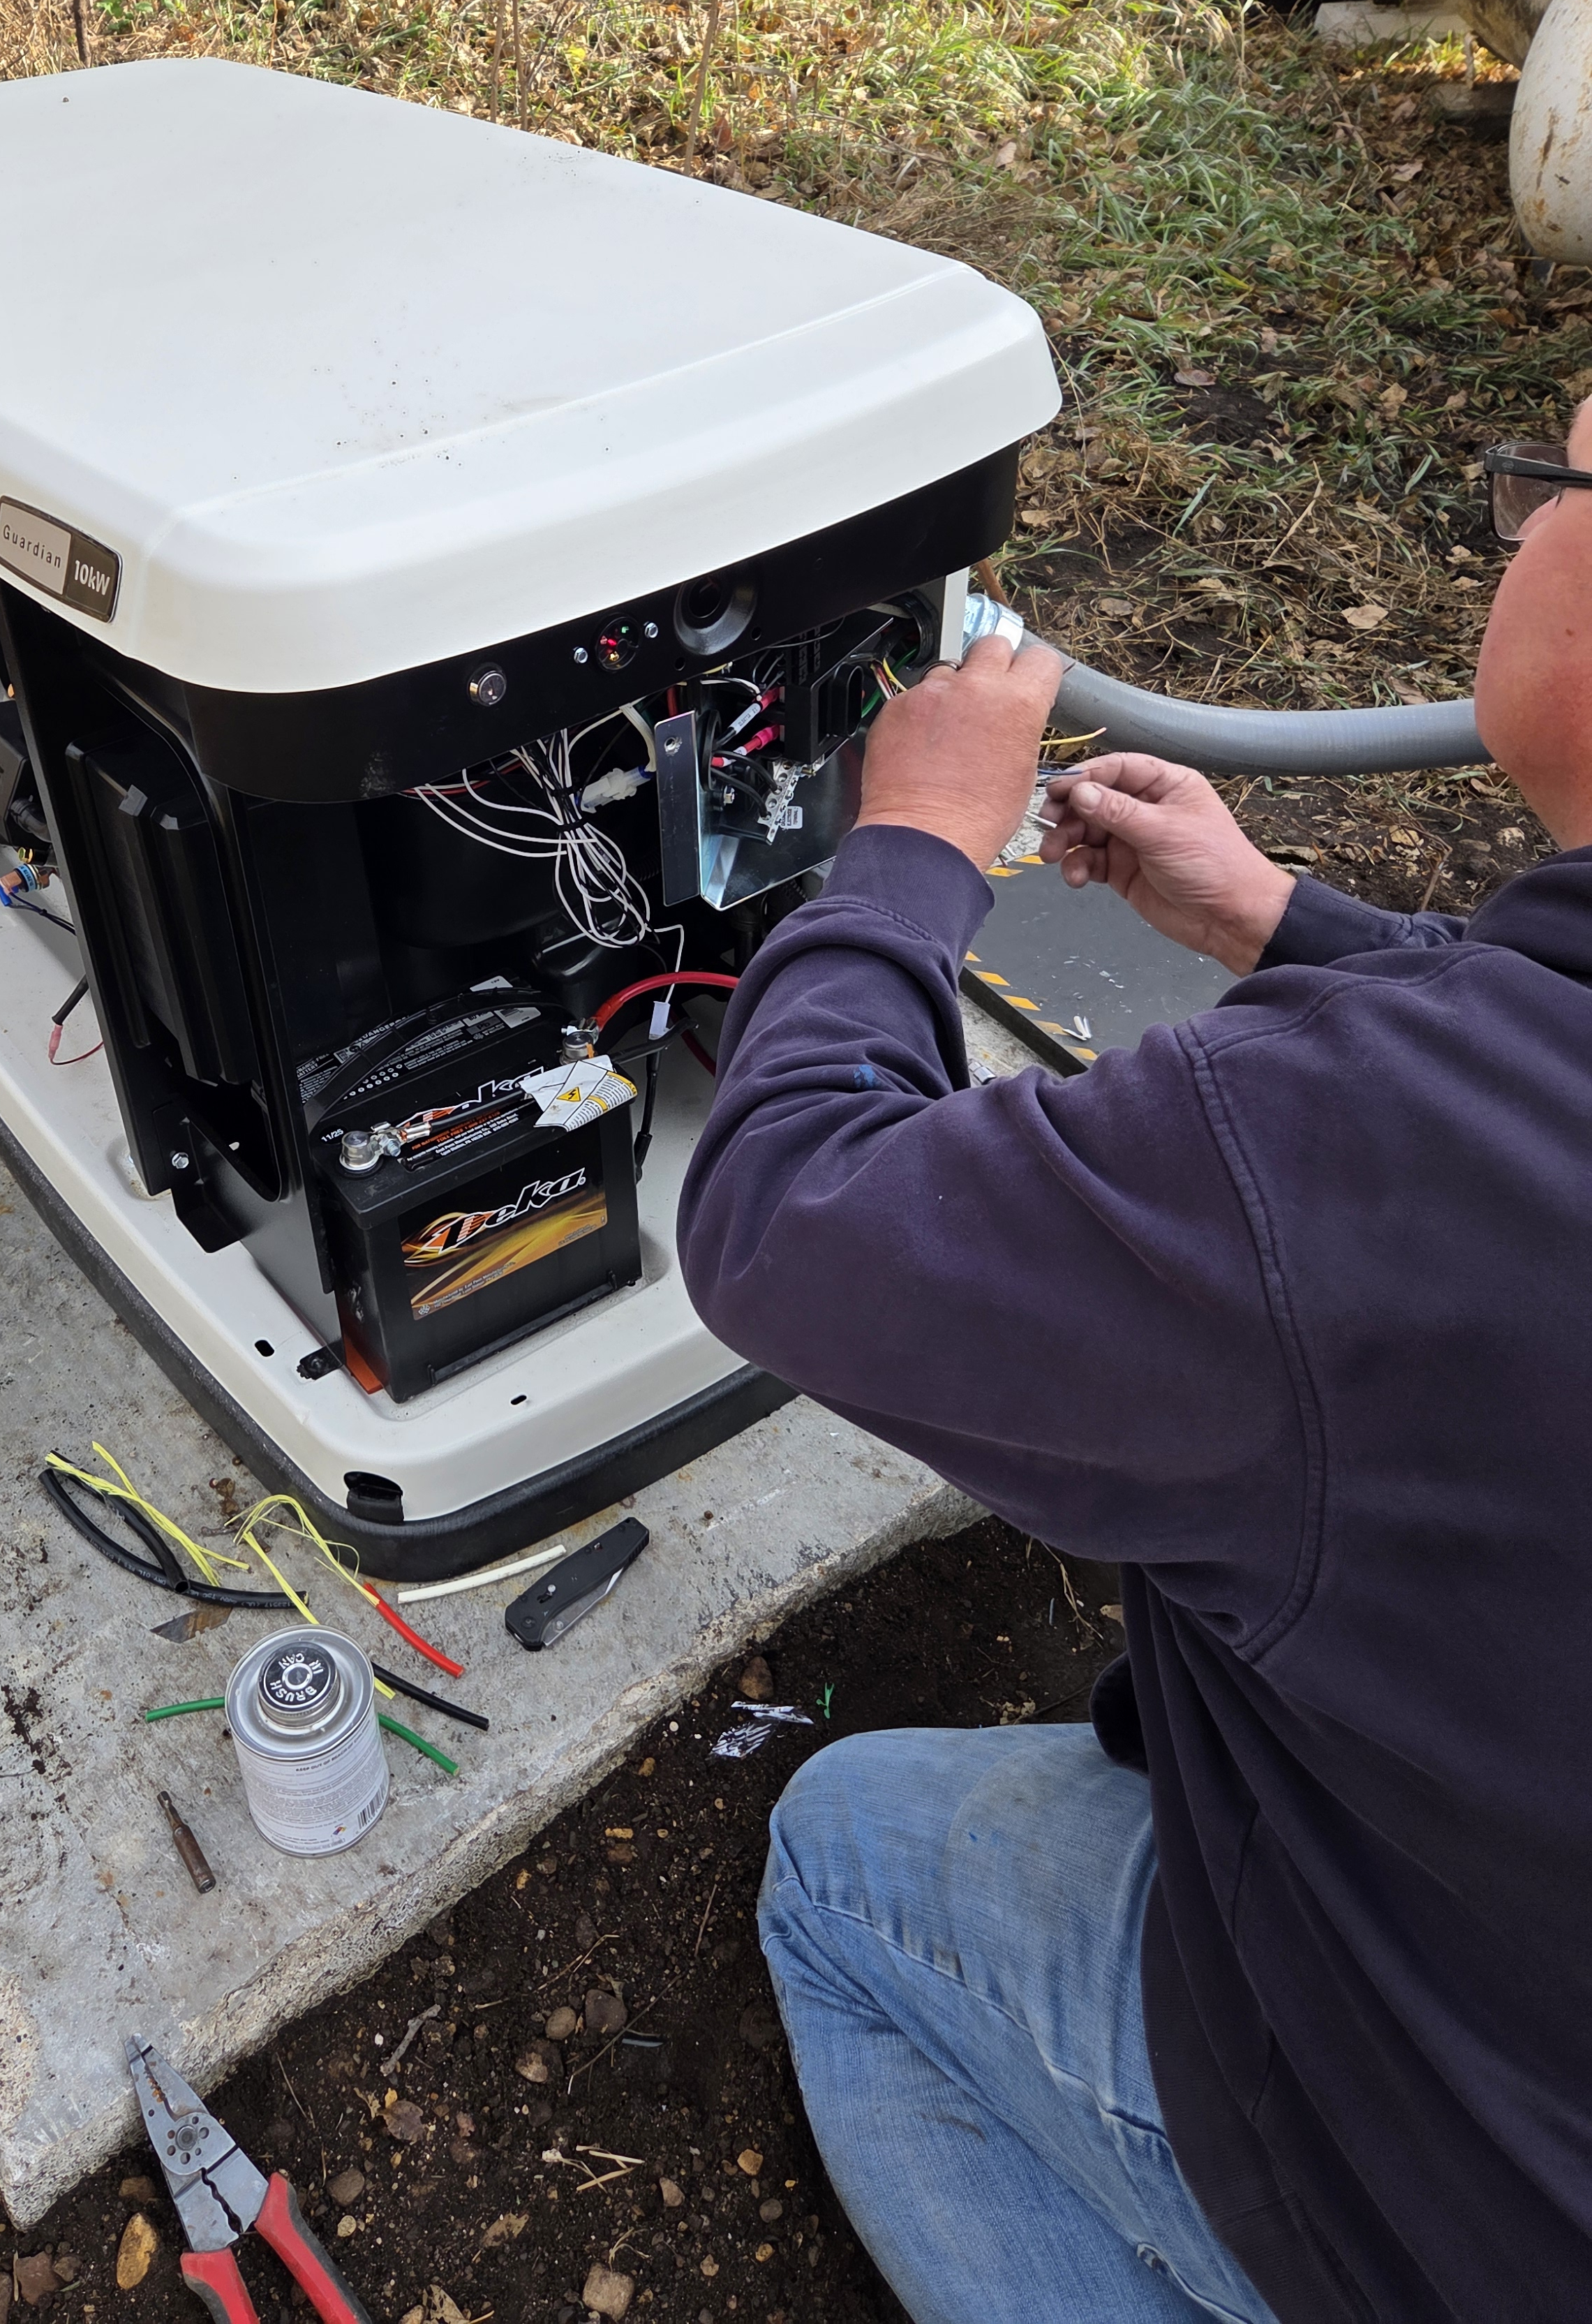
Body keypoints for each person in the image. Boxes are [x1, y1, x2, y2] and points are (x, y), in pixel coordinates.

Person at [675, 413, 1592, 2324]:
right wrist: (1286, 926)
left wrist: (908, 857)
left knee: (838, 1855)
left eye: (1559, 487)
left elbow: (787, 1220)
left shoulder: (1357, 1166)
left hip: (1470, 2222)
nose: (1518, 532)